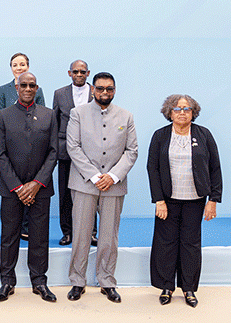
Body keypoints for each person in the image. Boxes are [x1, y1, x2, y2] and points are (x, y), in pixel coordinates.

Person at [66, 72, 137, 304]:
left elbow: (131, 151)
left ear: (114, 90)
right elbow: (73, 147)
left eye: (109, 88)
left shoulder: (126, 116)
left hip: (113, 186)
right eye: (100, 88)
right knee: (81, 234)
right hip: (85, 183)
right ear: (92, 89)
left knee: (108, 236)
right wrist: (96, 176)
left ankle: (107, 281)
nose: (104, 92)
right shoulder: (78, 114)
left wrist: (113, 176)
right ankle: (77, 281)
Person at [147, 94, 222, 308]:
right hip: (168, 200)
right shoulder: (160, 136)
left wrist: (213, 200)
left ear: (193, 112)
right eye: (177, 109)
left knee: (190, 244)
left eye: (187, 109)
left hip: (195, 199)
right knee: (166, 243)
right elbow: (152, 169)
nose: (182, 112)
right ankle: (166, 287)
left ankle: (188, 288)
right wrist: (158, 200)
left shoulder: (204, 135)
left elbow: (215, 168)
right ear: (169, 112)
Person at [0, 73, 58, 303]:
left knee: (39, 237)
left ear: (37, 88)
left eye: (32, 85)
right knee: (9, 236)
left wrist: (36, 184)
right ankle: (7, 281)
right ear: (17, 88)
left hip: (40, 188)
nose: (28, 88)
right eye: (24, 85)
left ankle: (39, 281)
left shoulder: (49, 116)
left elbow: (53, 152)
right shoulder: (3, 115)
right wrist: (19, 187)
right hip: (12, 189)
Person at [52, 60, 97, 246]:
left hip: (90, 152)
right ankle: (67, 232)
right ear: (69, 73)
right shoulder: (59, 94)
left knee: (91, 193)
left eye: (83, 72)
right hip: (65, 151)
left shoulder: (96, 92)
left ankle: (91, 232)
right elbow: (54, 123)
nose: (79, 74)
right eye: (75, 71)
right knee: (65, 194)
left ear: (88, 73)